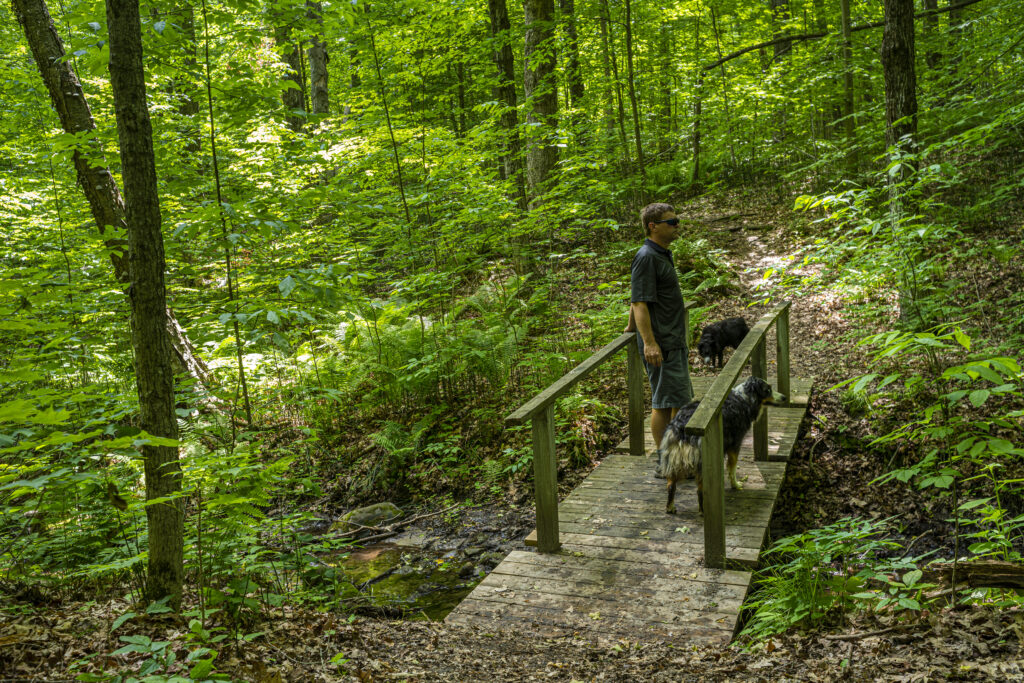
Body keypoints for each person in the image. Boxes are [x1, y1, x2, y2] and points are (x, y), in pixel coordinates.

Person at [625, 202, 694, 477]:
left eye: (677, 220)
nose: (677, 225)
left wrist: (630, 326)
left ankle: (677, 458)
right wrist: (649, 342)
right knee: (663, 403)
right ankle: (666, 463)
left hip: (672, 340)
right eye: (671, 222)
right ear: (653, 226)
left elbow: (638, 300)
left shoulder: (662, 254)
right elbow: (639, 301)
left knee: (678, 399)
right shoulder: (646, 257)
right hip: (661, 344)